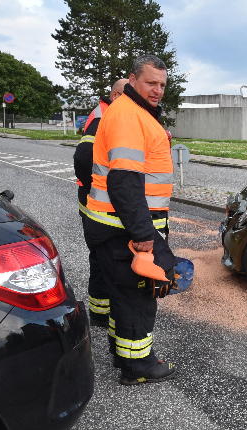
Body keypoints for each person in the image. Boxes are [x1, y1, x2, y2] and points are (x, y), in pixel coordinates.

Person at [84, 54, 177, 385]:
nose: (157, 90)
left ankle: (122, 353)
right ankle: (139, 367)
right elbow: (123, 182)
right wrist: (143, 235)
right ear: (133, 80)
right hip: (125, 228)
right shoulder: (128, 116)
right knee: (138, 297)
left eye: (162, 85)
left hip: (116, 225)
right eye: (151, 83)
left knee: (123, 296)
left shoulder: (133, 113)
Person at [74, 78, 128, 328]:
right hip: (96, 201)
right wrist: (103, 188)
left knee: (100, 256)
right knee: (102, 256)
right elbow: (84, 159)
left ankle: (99, 310)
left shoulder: (106, 112)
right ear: (117, 95)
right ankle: (100, 312)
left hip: (95, 199)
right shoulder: (103, 117)